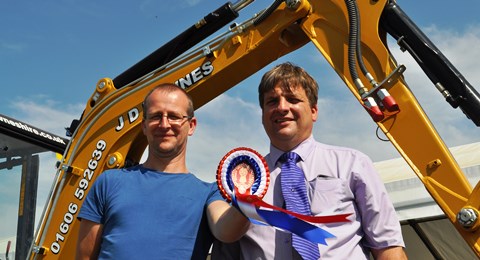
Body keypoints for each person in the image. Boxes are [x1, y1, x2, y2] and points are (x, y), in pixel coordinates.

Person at [212, 62, 407, 259]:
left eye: (292, 99)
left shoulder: (352, 164)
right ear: (263, 114)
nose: (282, 107)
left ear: (314, 111)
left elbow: (388, 247)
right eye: (272, 101)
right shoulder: (242, 179)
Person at [76, 83, 249, 259]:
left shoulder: (209, 194)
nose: (164, 124)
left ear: (191, 125)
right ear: (144, 125)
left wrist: (248, 200)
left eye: (174, 116)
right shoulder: (109, 182)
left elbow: (227, 230)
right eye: (156, 116)